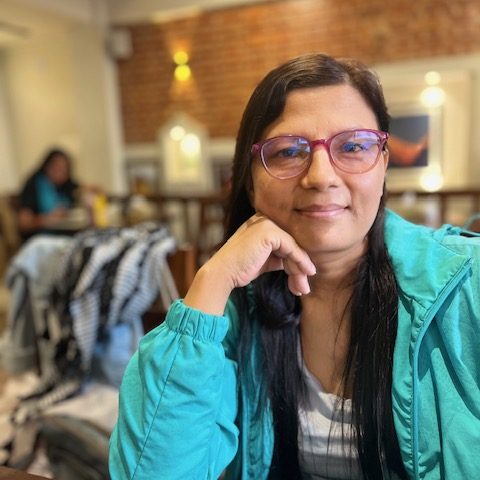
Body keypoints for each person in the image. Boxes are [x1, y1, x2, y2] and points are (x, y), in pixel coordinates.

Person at [109, 53, 480, 479]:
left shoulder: (467, 284)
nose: (321, 176)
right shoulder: (229, 313)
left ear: (382, 165)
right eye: (288, 151)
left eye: (353, 146)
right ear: (250, 182)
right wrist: (212, 280)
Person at [17, 148, 80, 240]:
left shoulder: (66, 186)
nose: (61, 173)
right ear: (47, 166)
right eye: (57, 167)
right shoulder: (34, 185)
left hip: (65, 237)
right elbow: (24, 224)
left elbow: (83, 187)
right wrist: (47, 219)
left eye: (65, 169)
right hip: (40, 239)